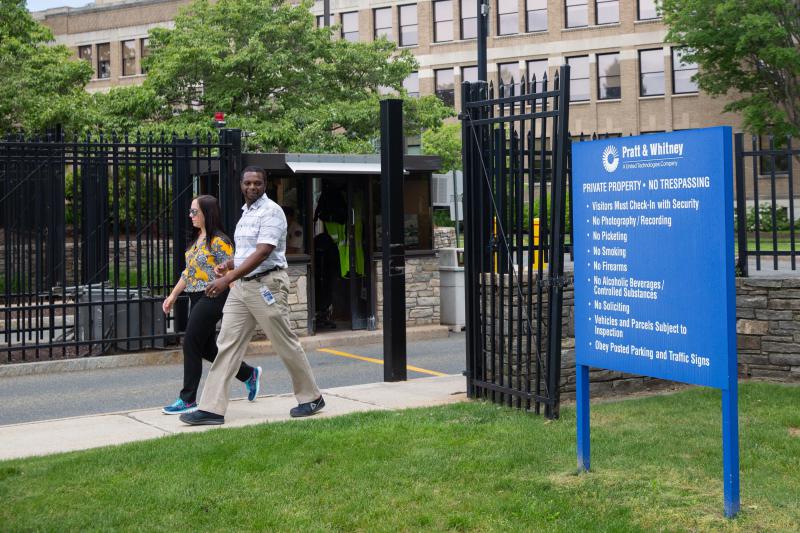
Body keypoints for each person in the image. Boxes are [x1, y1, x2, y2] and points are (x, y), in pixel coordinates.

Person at [180, 167, 324, 425]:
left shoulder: (271, 212)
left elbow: (263, 252)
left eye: (257, 183)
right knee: (227, 345)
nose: (252, 187)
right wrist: (229, 265)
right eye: (248, 183)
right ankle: (211, 409)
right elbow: (247, 253)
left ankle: (311, 397)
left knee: (284, 342)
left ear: (265, 185)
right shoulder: (245, 214)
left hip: (266, 285)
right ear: (241, 185)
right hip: (243, 287)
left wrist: (227, 279)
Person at [161, 195, 262, 415]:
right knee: (206, 347)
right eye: (190, 212)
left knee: (190, 341)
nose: (191, 216)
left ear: (207, 213)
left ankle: (187, 399)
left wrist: (239, 299)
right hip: (196, 298)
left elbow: (232, 272)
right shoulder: (197, 239)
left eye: (194, 212)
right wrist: (172, 296)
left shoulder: (219, 241)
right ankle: (248, 374)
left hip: (214, 296)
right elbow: (188, 274)